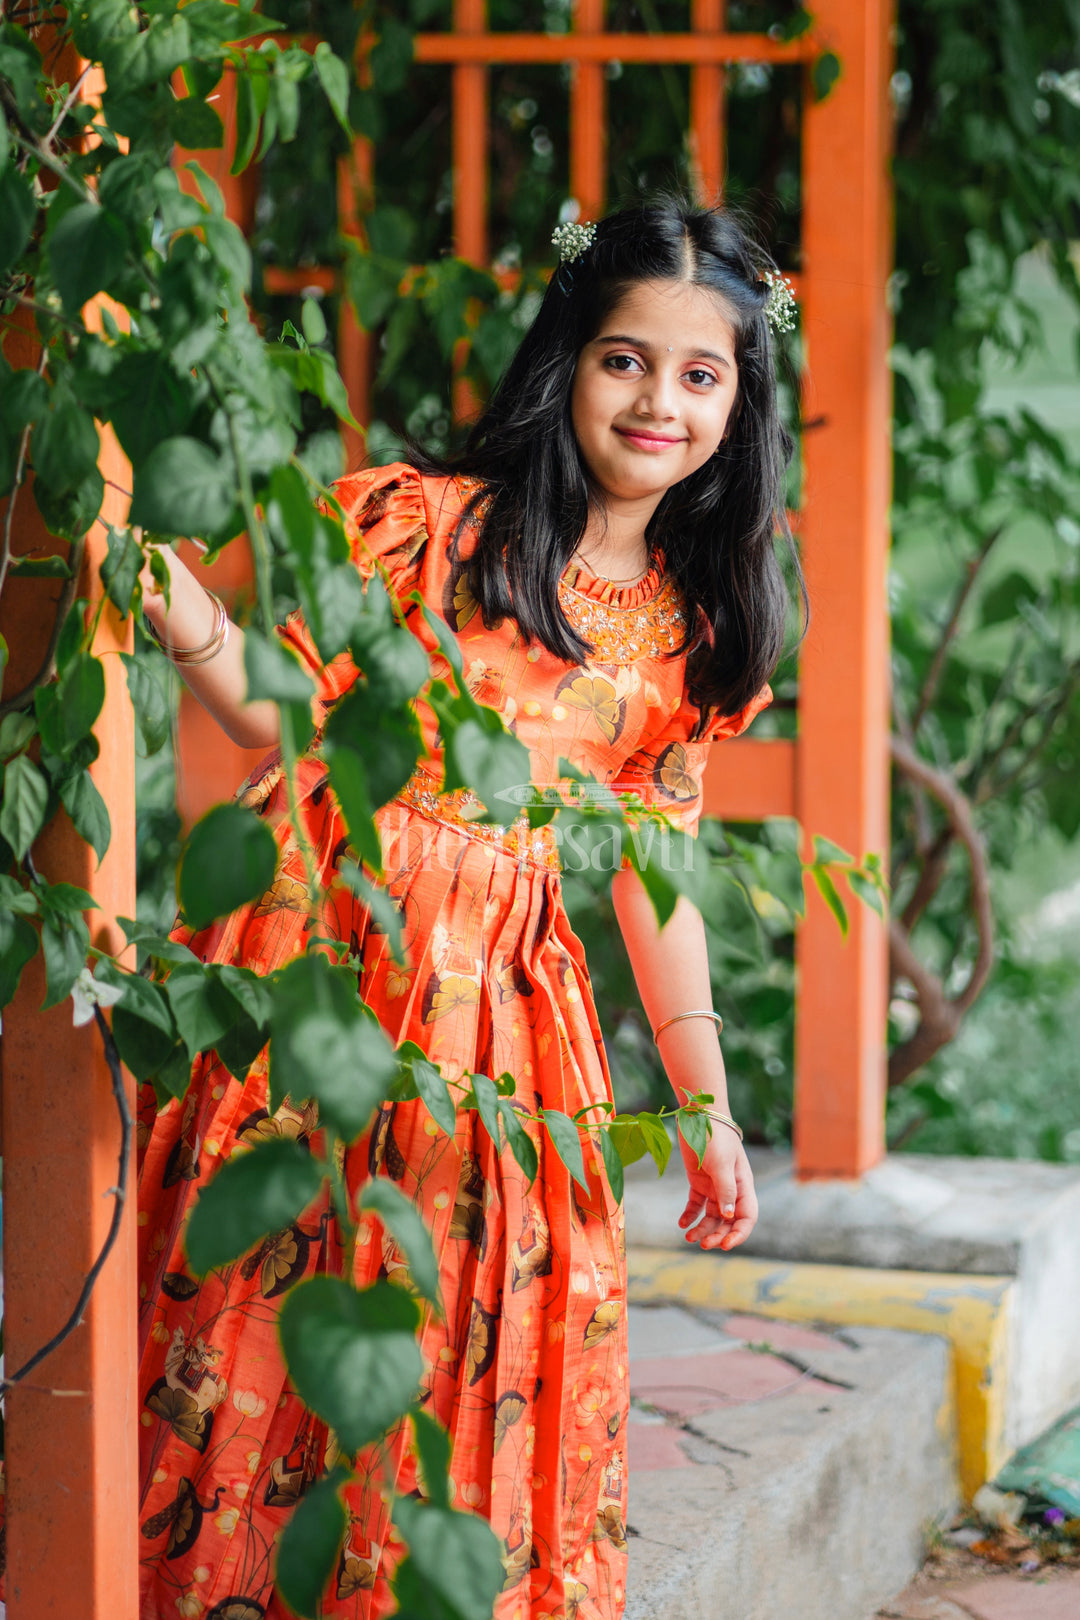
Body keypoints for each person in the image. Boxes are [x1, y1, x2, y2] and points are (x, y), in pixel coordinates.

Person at [135, 198, 802, 1620]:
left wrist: (707, 1095)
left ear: (743, 408)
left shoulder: (699, 626)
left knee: (469, 1317)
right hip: (315, 959)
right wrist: (172, 603)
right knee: (261, 1297)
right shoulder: (426, 529)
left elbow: (649, 870)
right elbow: (280, 708)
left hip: (499, 1024)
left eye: (703, 376)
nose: (660, 402)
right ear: (569, 359)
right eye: (628, 360)